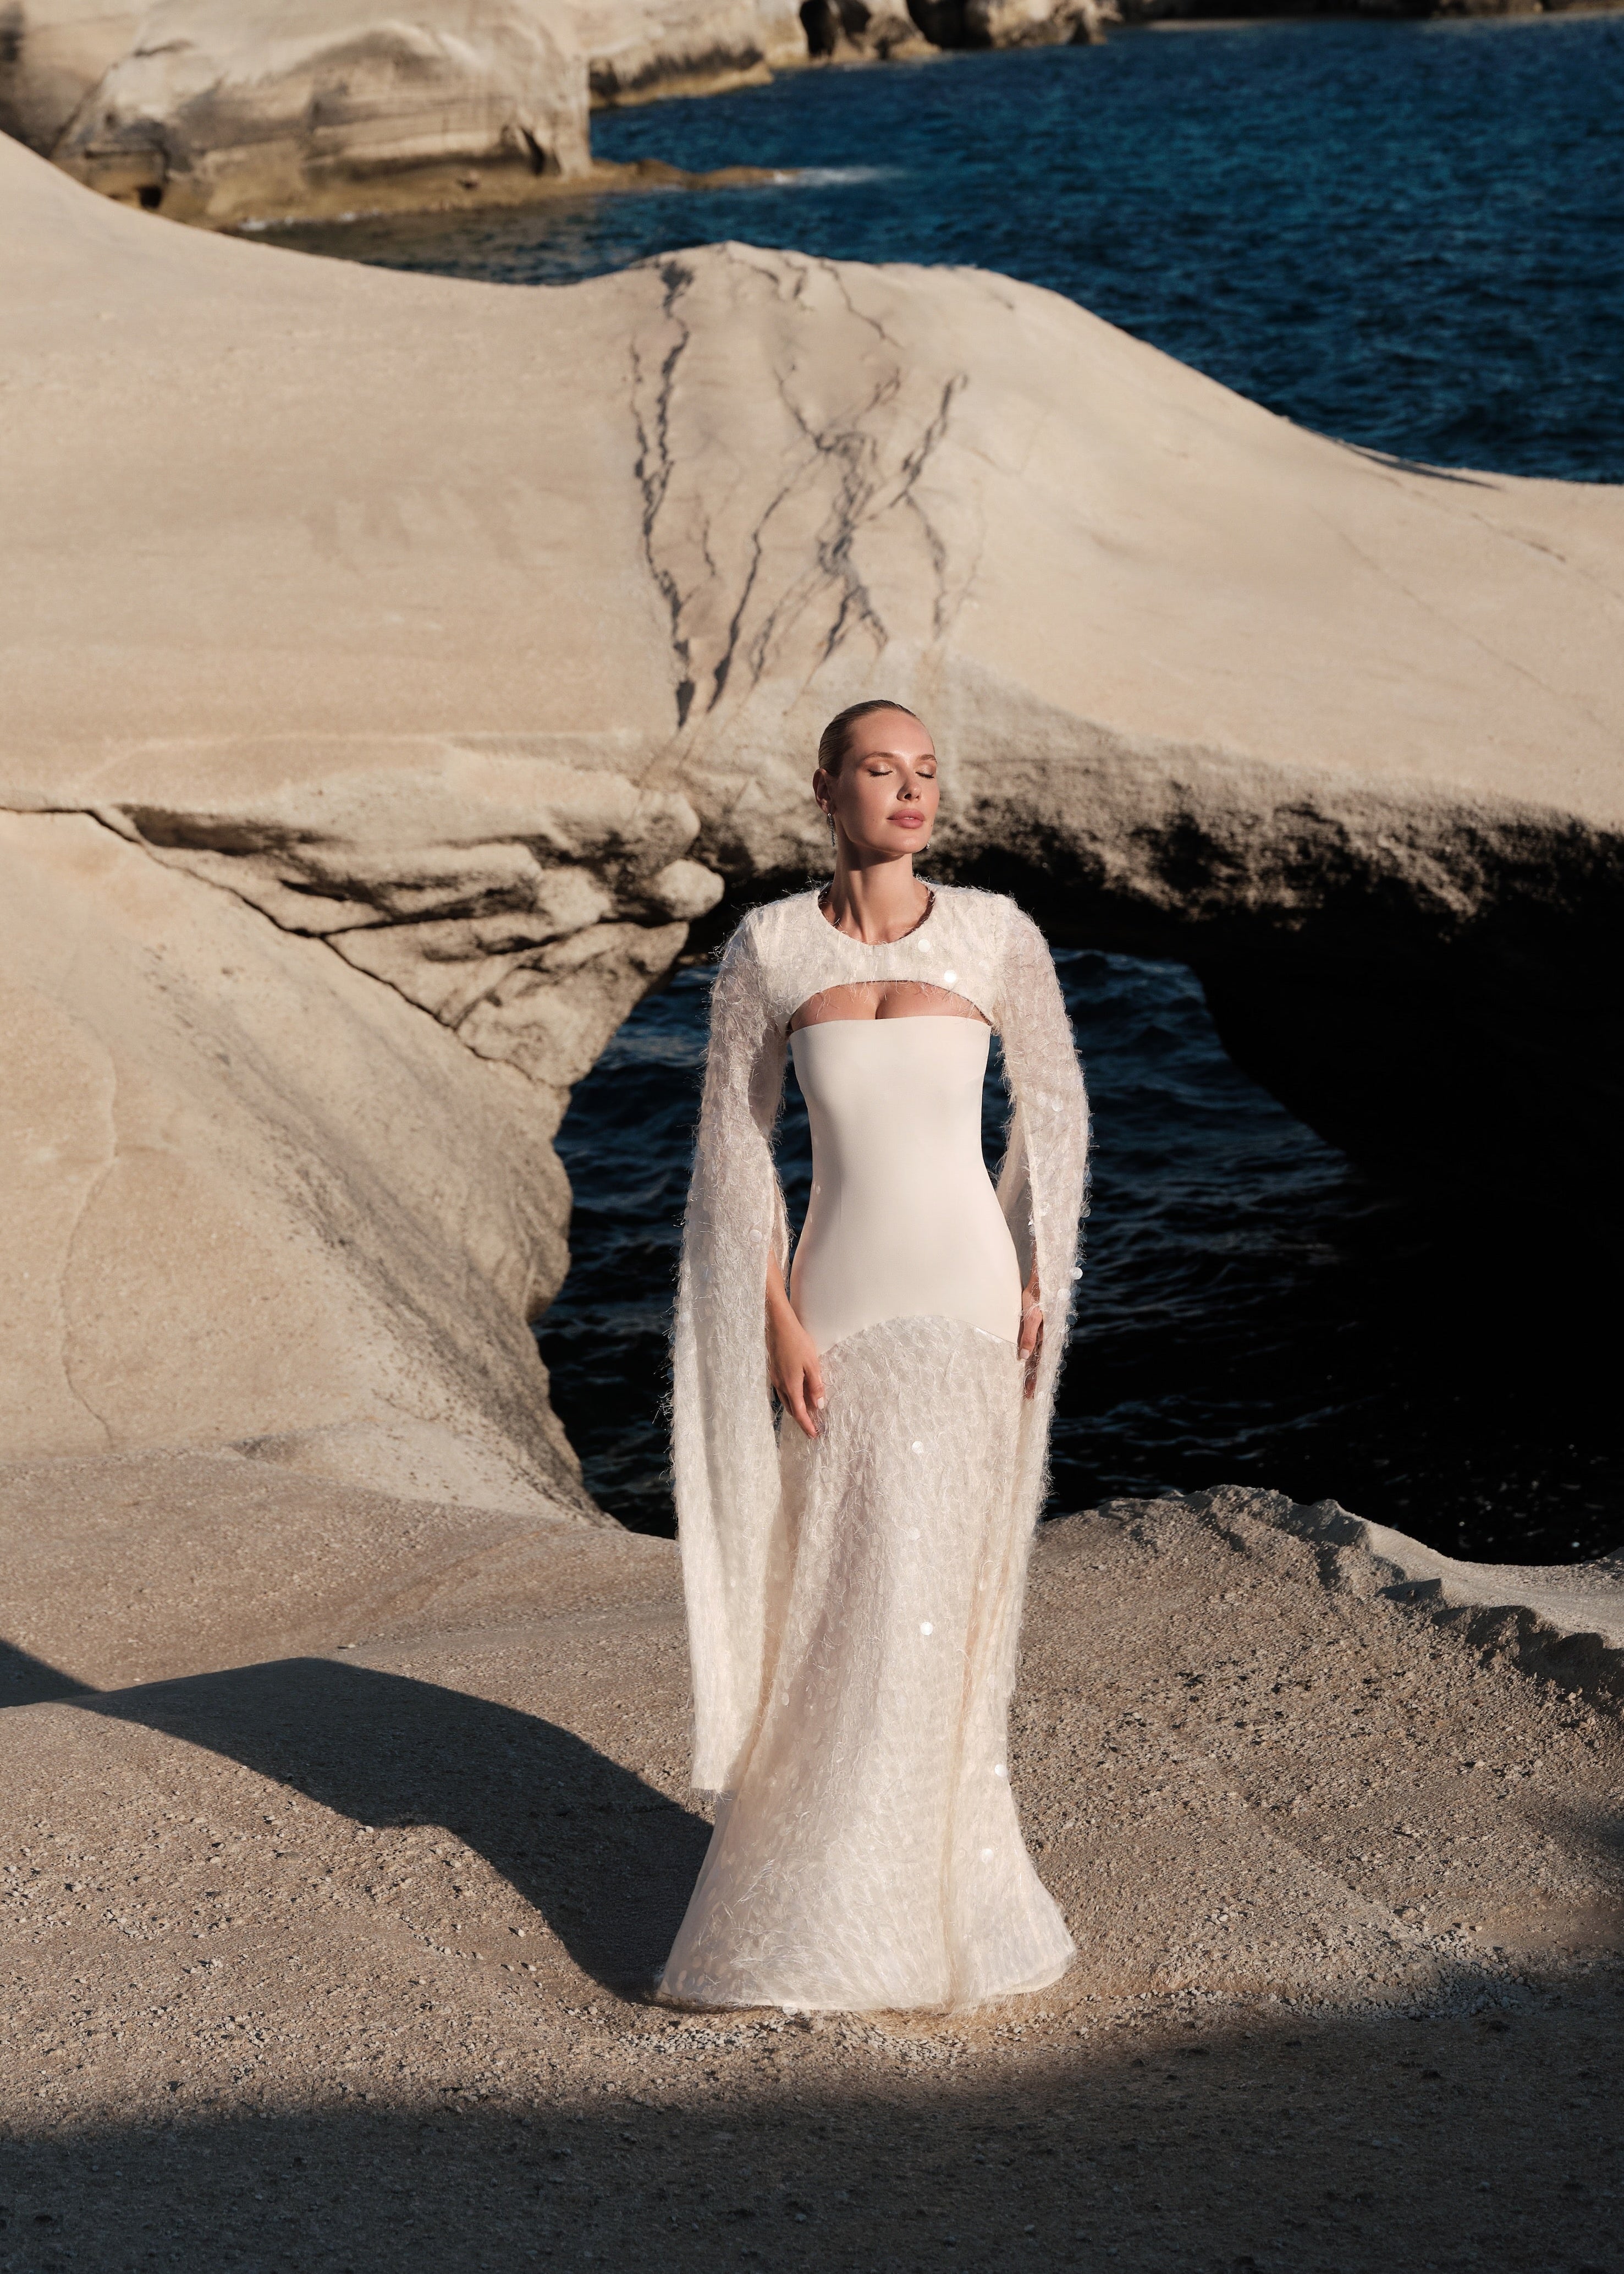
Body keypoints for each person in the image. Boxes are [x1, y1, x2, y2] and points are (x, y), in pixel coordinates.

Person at [660, 699, 1089, 2012]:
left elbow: (1058, 1105)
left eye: (926, 774)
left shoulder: (997, 935)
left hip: (965, 1307)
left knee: (936, 1602)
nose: (911, 794)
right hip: (836, 1308)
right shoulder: (769, 947)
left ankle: (939, 1904)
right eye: (880, 771)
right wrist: (773, 1313)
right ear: (826, 789)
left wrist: (1035, 1268)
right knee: (843, 1598)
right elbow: (736, 1146)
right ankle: (822, 1905)